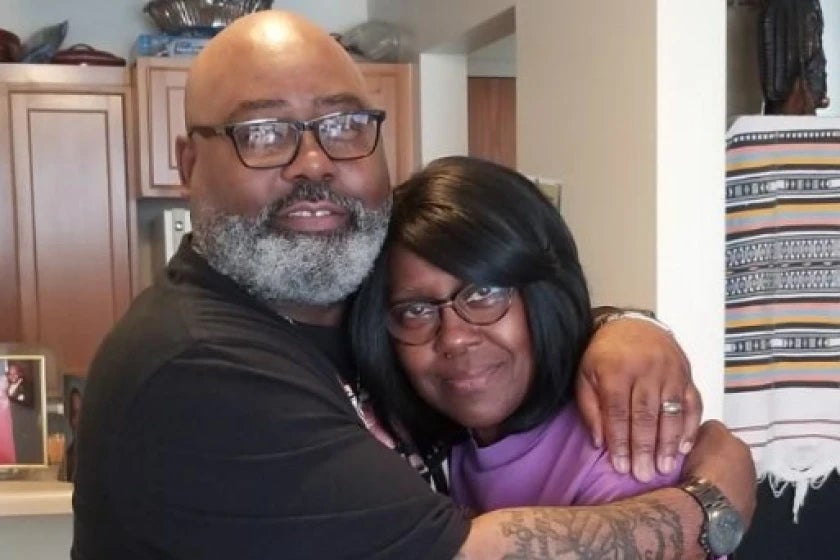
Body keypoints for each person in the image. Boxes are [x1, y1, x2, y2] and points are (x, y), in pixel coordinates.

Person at [71, 10, 755, 559]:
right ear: (189, 162)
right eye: (263, 130)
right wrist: (716, 497)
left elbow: (489, 296)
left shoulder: (346, 305)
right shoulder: (199, 365)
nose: (314, 162)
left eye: (343, 125)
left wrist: (624, 325)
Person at [351, 156, 684, 514]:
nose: (454, 338)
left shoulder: (622, 449)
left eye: (483, 294)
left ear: (544, 294)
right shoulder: (446, 446)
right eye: (416, 311)